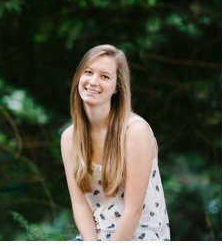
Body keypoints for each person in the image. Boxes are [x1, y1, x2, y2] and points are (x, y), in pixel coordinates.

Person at [60, 45, 171, 241]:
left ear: (116, 87)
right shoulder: (70, 138)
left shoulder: (135, 131)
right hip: (95, 237)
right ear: (79, 77)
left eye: (105, 76)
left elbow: (133, 210)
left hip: (139, 235)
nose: (93, 81)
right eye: (88, 72)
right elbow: (80, 205)